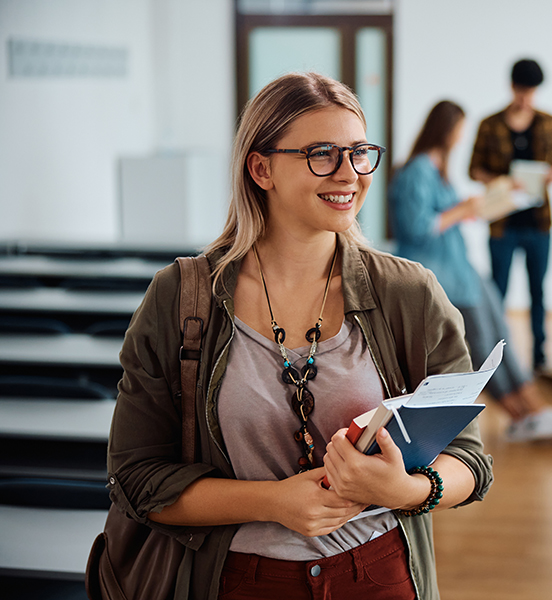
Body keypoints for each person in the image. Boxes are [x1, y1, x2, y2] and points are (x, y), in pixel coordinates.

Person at [107, 73, 493, 600]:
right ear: (260, 168)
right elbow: (138, 477)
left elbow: (469, 459)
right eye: (321, 154)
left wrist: (408, 490)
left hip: (379, 576)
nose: (349, 174)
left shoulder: (410, 294)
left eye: (360, 153)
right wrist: (274, 502)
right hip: (237, 580)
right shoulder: (180, 297)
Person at [388, 100, 552, 443]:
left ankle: (533, 408)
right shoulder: (418, 169)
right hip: (442, 277)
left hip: (462, 270)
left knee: (499, 335)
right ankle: (520, 415)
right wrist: (462, 208)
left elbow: (442, 217)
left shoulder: (436, 169)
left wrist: (474, 207)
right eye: (460, 128)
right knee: (481, 346)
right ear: (448, 129)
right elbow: (416, 228)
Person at [469, 58, 552, 372]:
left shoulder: (549, 122)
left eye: (532, 91)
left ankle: (539, 355)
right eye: (522, 90)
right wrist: (501, 182)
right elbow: (473, 169)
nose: (526, 98)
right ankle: (497, 356)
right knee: (498, 292)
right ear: (512, 87)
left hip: (539, 222)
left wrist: (548, 175)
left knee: (539, 289)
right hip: (503, 222)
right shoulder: (490, 124)